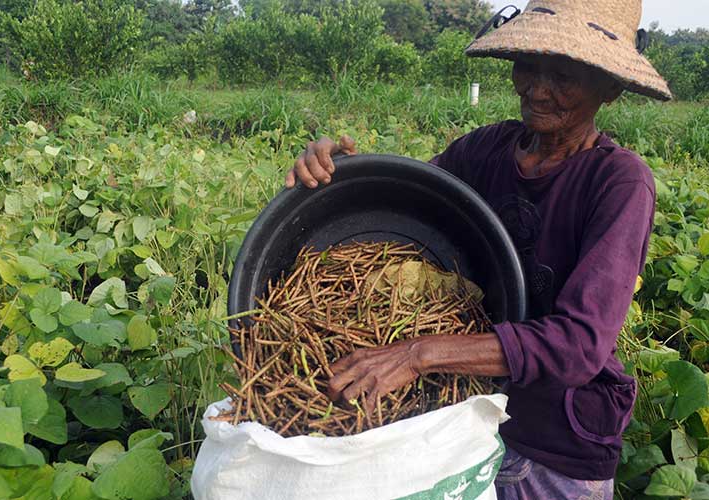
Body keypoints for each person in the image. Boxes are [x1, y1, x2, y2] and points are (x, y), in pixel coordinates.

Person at [285, 0, 671, 498]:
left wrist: (416, 354)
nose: (536, 88)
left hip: (553, 444)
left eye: (563, 74)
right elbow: (393, 208)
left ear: (611, 87)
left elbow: (579, 345)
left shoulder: (618, 181)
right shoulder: (485, 150)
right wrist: (328, 177)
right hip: (460, 421)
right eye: (528, 64)